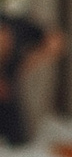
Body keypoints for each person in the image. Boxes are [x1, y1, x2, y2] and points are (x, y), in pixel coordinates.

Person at [0, 13, 63, 148]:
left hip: (8, 105)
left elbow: (56, 41)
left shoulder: (14, 24)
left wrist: (27, 63)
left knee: (19, 148)